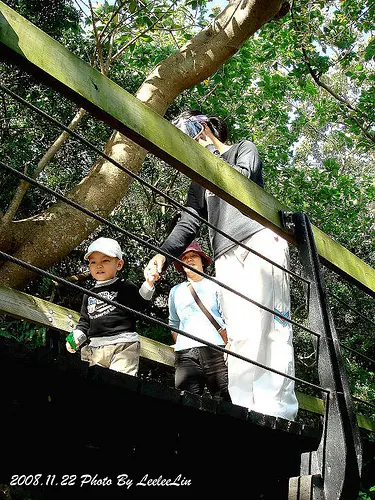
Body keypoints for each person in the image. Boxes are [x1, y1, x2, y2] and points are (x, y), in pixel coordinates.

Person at [145, 110, 298, 420]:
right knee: (241, 332)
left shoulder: (243, 148)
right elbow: (189, 219)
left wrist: (210, 147)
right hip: (226, 253)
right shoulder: (199, 179)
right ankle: (246, 409)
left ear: (204, 128)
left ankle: (278, 412)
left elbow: (240, 177)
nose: (188, 143)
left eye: (190, 133)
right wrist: (163, 252)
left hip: (259, 240)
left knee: (271, 325)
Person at [66, 237, 157, 376]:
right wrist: (76, 338)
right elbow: (85, 322)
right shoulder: (89, 294)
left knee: (119, 383)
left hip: (123, 344)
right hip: (95, 348)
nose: (99, 265)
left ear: (119, 264)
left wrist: (148, 284)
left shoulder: (124, 286)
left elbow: (140, 304)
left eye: (105, 261)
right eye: (93, 262)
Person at [169, 240, 230, 402]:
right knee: (185, 400)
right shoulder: (175, 291)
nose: (189, 259)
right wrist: (181, 344)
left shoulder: (216, 285)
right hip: (185, 353)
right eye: (185, 257)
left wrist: (229, 345)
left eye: (193, 255)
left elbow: (228, 317)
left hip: (216, 349)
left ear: (202, 260)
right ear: (181, 265)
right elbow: (173, 323)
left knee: (223, 399)